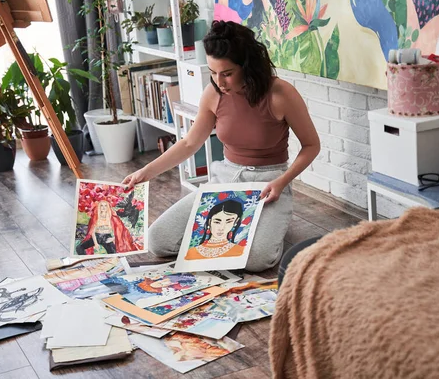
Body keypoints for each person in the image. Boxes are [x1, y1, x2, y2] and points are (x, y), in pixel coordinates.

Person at [123, 20, 320, 272]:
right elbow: (189, 143)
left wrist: (282, 182)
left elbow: (311, 145)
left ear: (247, 66)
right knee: (158, 241)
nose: (219, 81)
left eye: (227, 73)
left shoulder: (280, 93)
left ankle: (265, 226)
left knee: (257, 260)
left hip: (269, 185)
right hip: (224, 181)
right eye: (213, 72)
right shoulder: (214, 93)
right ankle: (242, 232)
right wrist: (145, 172)